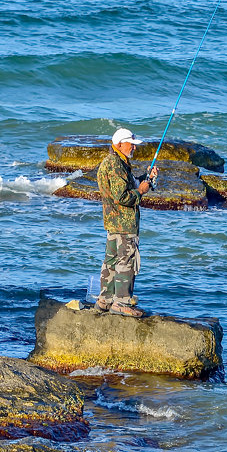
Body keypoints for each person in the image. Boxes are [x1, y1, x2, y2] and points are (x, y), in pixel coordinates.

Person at [94, 128, 159, 317]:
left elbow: (126, 185)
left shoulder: (117, 163)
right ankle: (121, 303)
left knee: (111, 261)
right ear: (120, 144)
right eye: (131, 145)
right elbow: (122, 196)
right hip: (123, 223)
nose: (134, 149)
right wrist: (141, 191)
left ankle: (105, 300)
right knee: (127, 261)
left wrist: (147, 179)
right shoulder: (115, 165)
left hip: (114, 222)